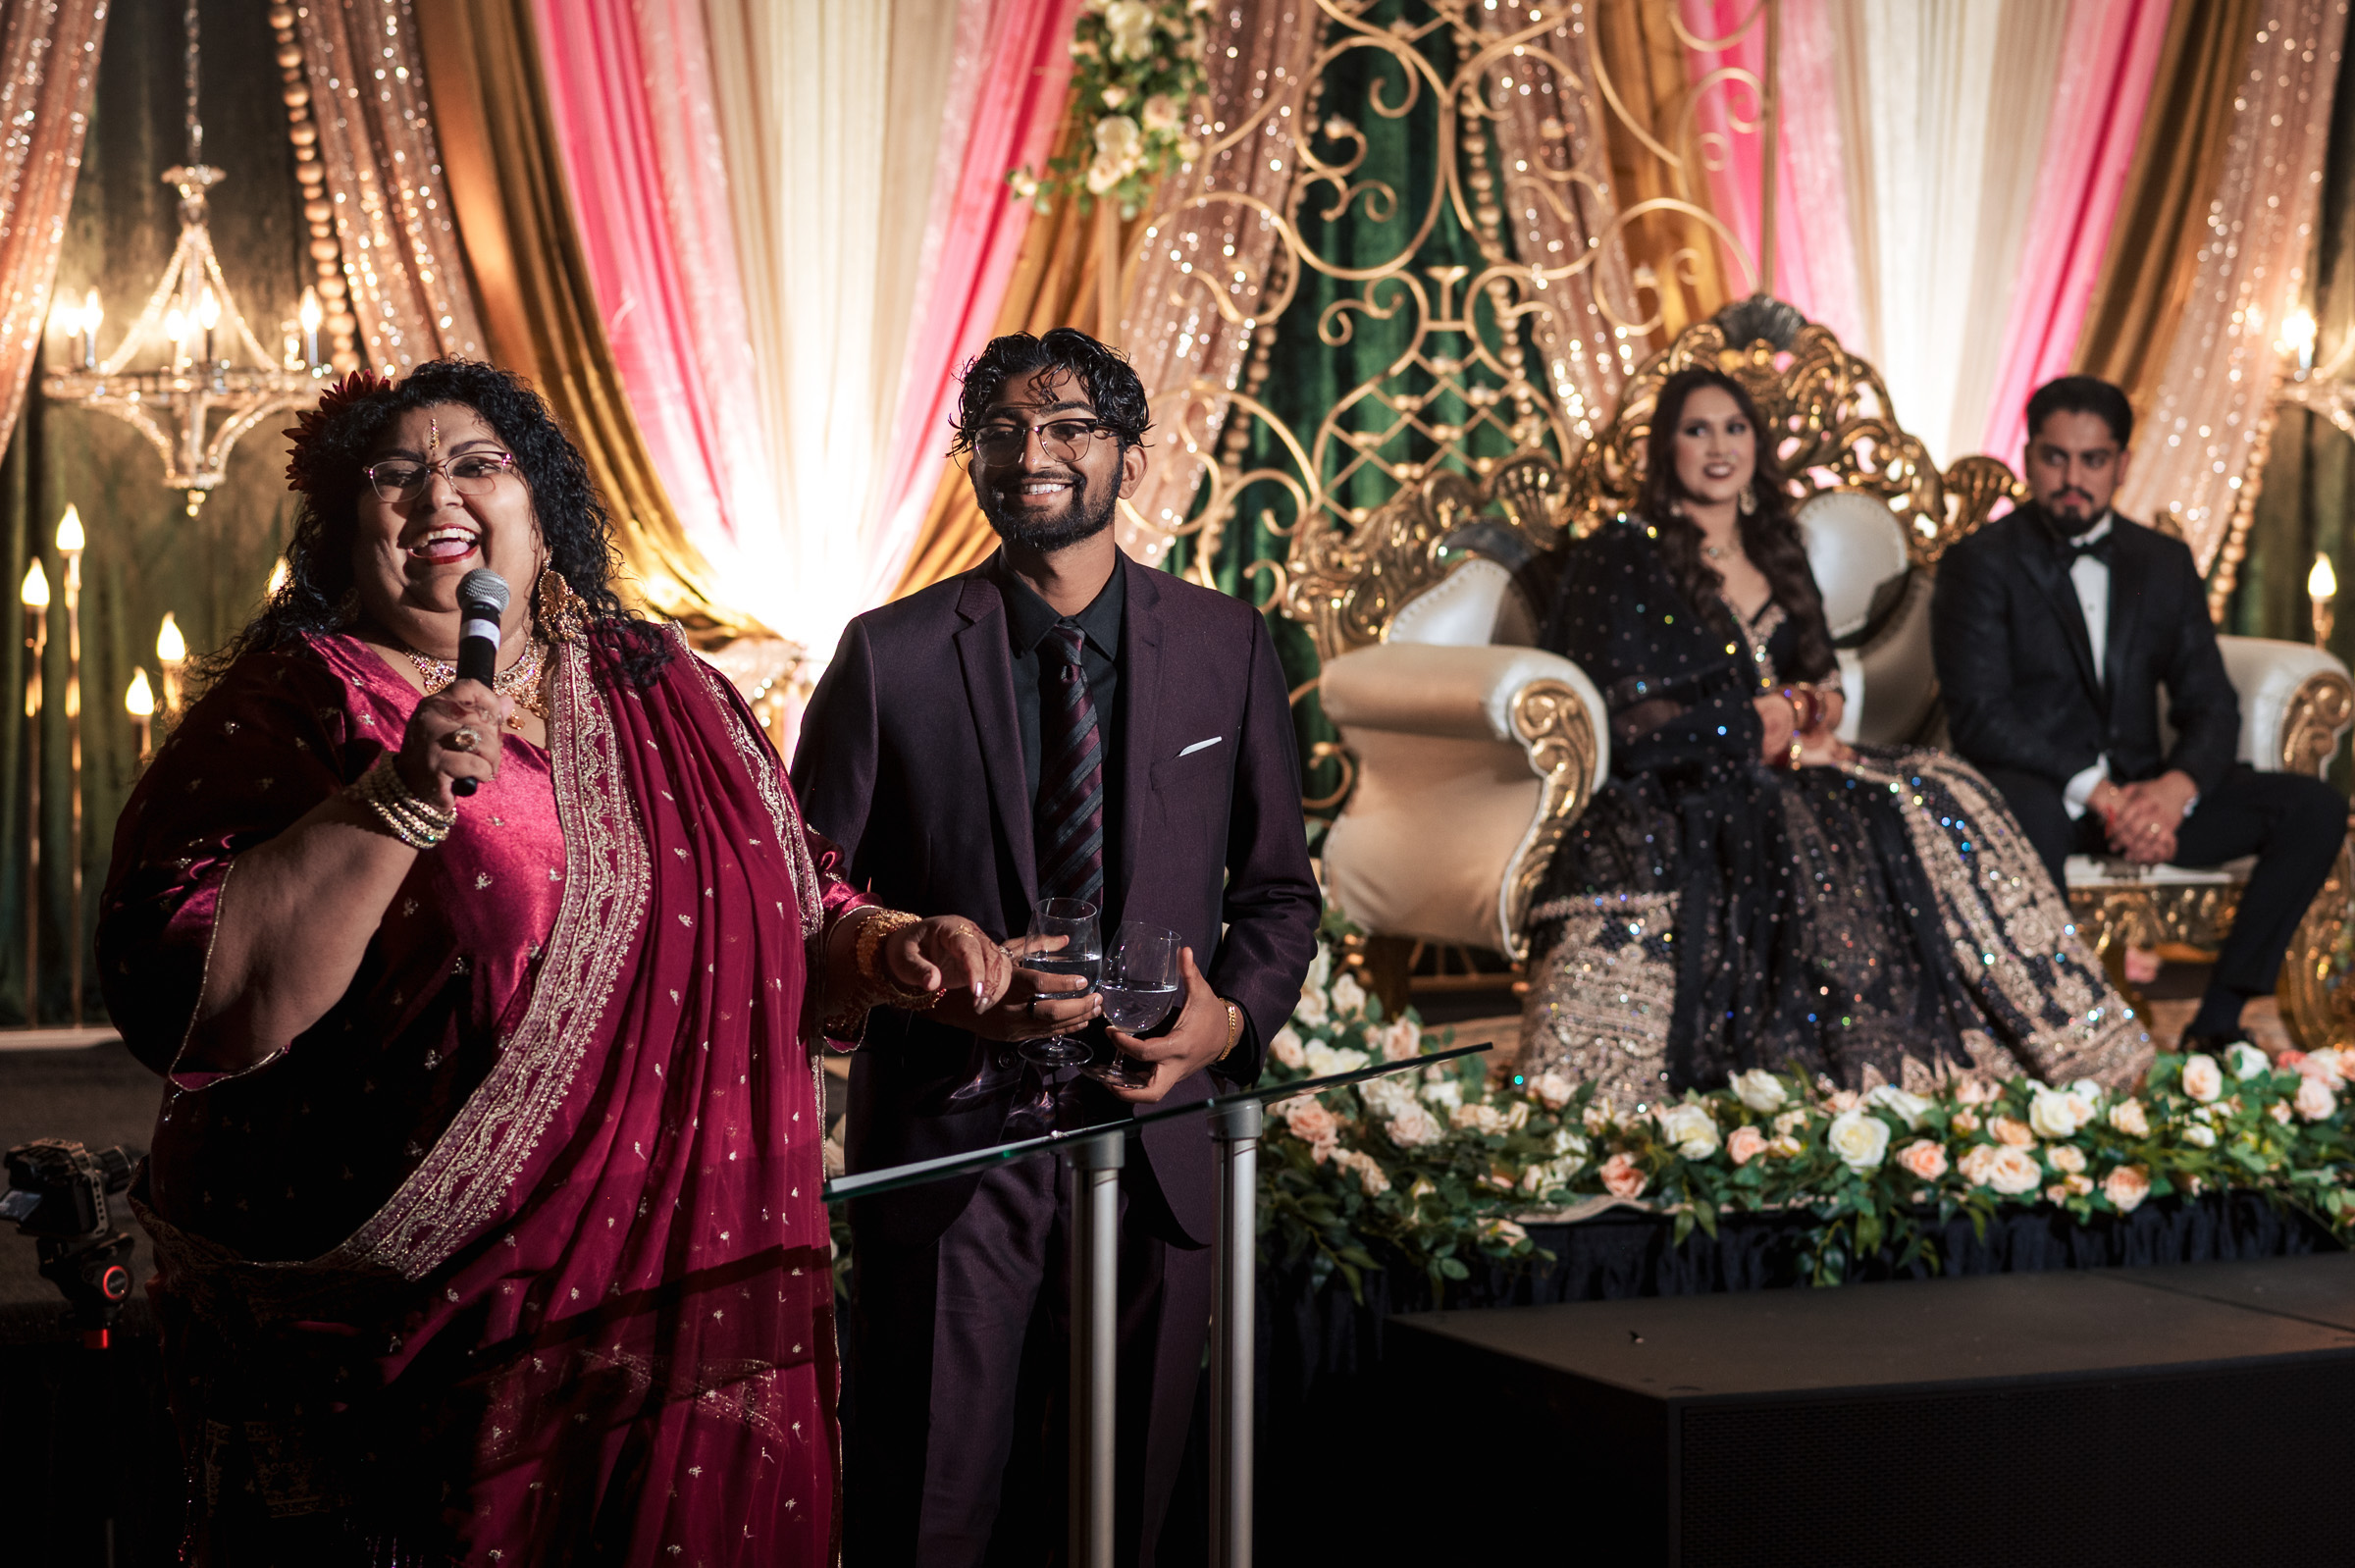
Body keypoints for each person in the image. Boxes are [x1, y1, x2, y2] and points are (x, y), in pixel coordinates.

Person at [97, 360, 1011, 1566]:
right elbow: (189, 990)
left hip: (689, 1311)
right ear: (340, 520)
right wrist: (394, 798)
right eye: (397, 472)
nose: (441, 494)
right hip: (432, 1345)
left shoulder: (661, 683)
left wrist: (891, 947)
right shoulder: (302, 701)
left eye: (482, 464)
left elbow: (799, 894)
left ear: (544, 510)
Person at [792, 327, 1321, 1566]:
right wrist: (912, 962)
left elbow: (1283, 893)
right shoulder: (892, 653)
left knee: (1122, 1513)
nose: (1035, 452)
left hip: (1154, 1139)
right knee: (925, 1509)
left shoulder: (1226, 644)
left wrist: (1226, 1024)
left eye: (1071, 426)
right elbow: (798, 894)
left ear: (1129, 455)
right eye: (1004, 430)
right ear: (973, 456)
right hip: (950, 1140)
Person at [1518, 367, 2146, 1103]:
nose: (1718, 448)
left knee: (1944, 787)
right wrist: (1759, 726)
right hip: (1684, 774)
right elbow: (1629, 720)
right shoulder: (1622, 557)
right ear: (1666, 448)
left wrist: (1808, 713)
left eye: (1735, 428)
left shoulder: (1775, 548)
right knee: (1791, 824)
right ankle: (1822, 1079)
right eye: (1697, 430)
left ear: (1756, 445)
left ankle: (2073, 1048)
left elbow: (1821, 681)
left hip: (1796, 764)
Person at [1934, 377, 2348, 1053]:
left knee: (2313, 808)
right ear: (2028, 456)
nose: (2073, 478)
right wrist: (2099, 796)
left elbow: (2211, 702)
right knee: (2021, 813)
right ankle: (2059, 1036)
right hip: (2045, 797)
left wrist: (2172, 791)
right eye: (2055, 457)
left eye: (2092, 460)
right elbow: (1982, 716)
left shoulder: (2163, 562)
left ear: (2122, 463)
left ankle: (2217, 1022)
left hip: (2143, 796)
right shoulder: (1978, 564)